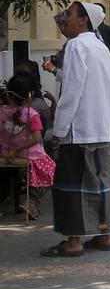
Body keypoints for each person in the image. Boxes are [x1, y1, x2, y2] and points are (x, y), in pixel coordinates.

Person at [43, 2, 110, 257]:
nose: (65, 18)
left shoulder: (76, 45)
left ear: (84, 20)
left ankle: (74, 240)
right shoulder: (100, 47)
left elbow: (72, 91)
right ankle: (104, 234)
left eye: (70, 14)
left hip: (79, 129)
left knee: (71, 185)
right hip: (98, 127)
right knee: (98, 183)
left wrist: (59, 130)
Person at [0, 72, 57, 219]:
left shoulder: (1, 112)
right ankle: (31, 200)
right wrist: (18, 148)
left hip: (5, 154)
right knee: (53, 171)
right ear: (30, 94)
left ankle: (29, 198)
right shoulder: (31, 114)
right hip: (28, 155)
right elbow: (36, 138)